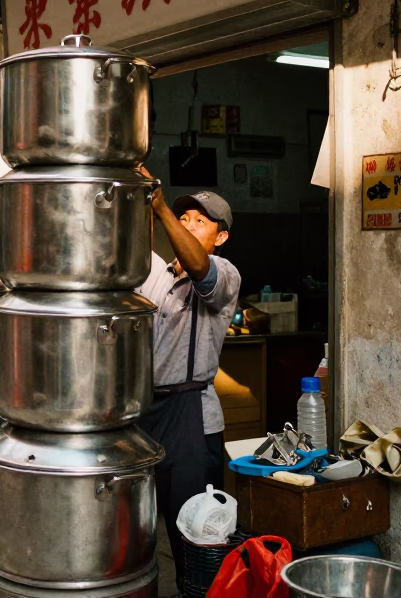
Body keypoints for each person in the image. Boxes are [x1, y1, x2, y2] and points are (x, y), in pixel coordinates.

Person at [135, 172, 241, 595]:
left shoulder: (226, 273)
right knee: (139, 528)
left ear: (221, 237)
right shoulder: (158, 274)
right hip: (144, 413)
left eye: (201, 221)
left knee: (194, 535)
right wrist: (144, 205)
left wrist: (161, 207)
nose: (190, 223)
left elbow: (202, 271)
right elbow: (130, 259)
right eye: (185, 217)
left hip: (191, 419)